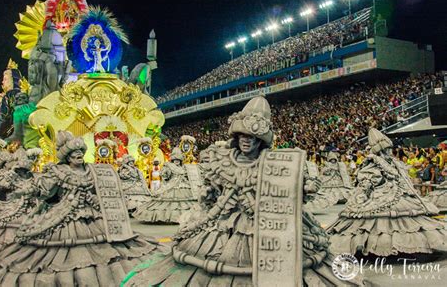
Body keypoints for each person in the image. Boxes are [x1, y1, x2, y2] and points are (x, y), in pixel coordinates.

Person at [124, 96, 364, 286]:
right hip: (225, 225)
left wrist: (305, 189)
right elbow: (212, 193)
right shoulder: (221, 160)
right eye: (242, 136)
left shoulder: (275, 163)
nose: (247, 141)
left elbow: (290, 196)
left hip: (268, 224)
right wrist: (209, 194)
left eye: (253, 137)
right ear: (235, 136)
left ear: (262, 140)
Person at [0, 131, 166, 286]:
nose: (78, 154)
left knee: (112, 252)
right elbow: (43, 192)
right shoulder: (58, 172)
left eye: (80, 151)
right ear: (67, 156)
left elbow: (104, 191)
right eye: (74, 152)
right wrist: (22, 188)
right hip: (64, 220)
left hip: (94, 217)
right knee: (63, 257)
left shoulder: (93, 170)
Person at [327, 128, 447, 256]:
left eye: (389, 149)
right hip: (381, 195)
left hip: (399, 194)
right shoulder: (372, 163)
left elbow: (403, 177)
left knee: (407, 218)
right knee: (380, 222)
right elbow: (367, 181)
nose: (388, 152)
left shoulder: (395, 163)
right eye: (386, 150)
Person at [132, 148, 198, 224]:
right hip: (172, 185)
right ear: (172, 160)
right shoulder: (169, 166)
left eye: (178, 160)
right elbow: (165, 176)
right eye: (175, 159)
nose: (176, 161)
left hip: (183, 185)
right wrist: (165, 172)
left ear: (180, 161)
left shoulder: (184, 167)